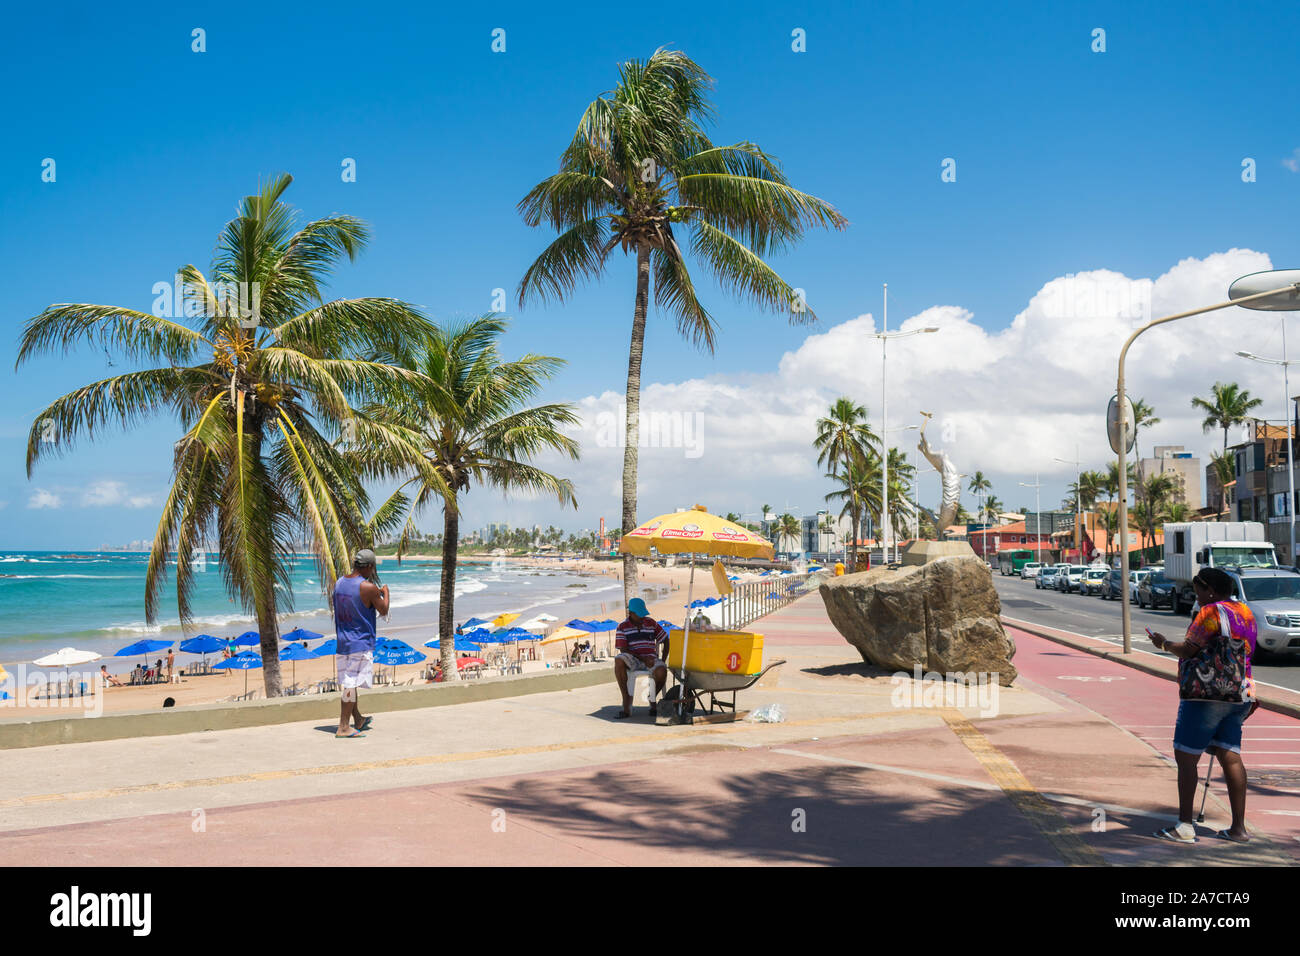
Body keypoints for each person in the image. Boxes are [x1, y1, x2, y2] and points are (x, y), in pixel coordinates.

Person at [1148, 567, 1256, 844]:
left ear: (1210, 589)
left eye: (1198, 590)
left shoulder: (1209, 612)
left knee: (1186, 758)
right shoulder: (1245, 612)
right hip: (1240, 693)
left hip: (1204, 693)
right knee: (1230, 755)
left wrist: (1163, 644)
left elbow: (1188, 649)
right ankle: (1238, 829)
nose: (1196, 595)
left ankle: (1184, 826)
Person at [332, 548, 389, 738]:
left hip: (343, 641)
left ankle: (358, 719)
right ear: (370, 566)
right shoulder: (368, 587)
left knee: (351, 682)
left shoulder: (339, 583)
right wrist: (385, 593)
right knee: (350, 683)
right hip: (360, 641)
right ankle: (343, 727)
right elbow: (383, 610)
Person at [612, 598, 669, 719]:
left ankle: (652, 697)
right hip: (633, 658)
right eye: (640, 615)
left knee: (662, 671)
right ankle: (626, 698)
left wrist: (663, 660)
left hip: (651, 658)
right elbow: (623, 649)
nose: (643, 617)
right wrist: (643, 659)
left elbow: (666, 640)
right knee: (618, 660)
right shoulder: (622, 627)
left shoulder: (651, 623)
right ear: (631, 613)